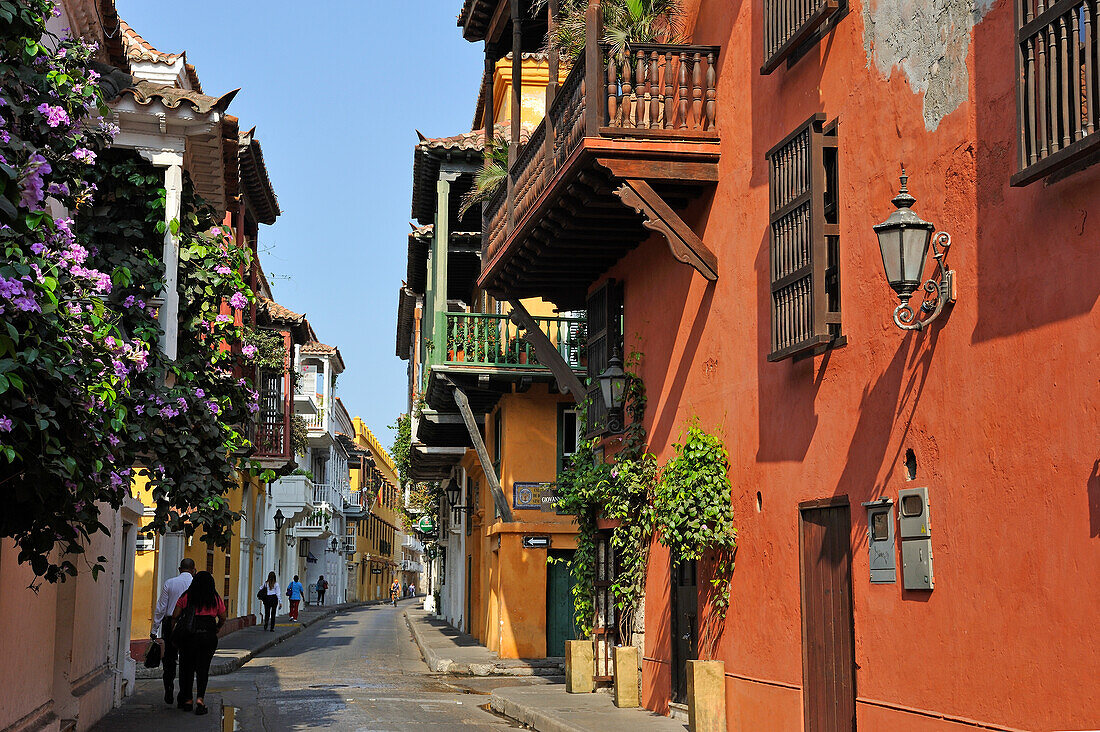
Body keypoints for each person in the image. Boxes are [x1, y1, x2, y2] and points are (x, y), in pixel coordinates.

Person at [173, 571, 226, 716]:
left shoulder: (186, 596)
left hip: (189, 636)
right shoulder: (215, 598)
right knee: (203, 669)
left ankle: (188, 700)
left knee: (187, 668)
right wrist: (218, 627)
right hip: (208, 636)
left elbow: (175, 615)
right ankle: (200, 700)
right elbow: (223, 616)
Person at [151, 557, 196, 706]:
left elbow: (161, 608)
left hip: (170, 624)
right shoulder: (195, 584)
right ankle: (184, 694)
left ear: (179, 569)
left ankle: (168, 687)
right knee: (187, 660)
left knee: (169, 659)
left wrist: (154, 629)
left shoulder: (169, 583)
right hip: (189, 625)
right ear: (193, 570)